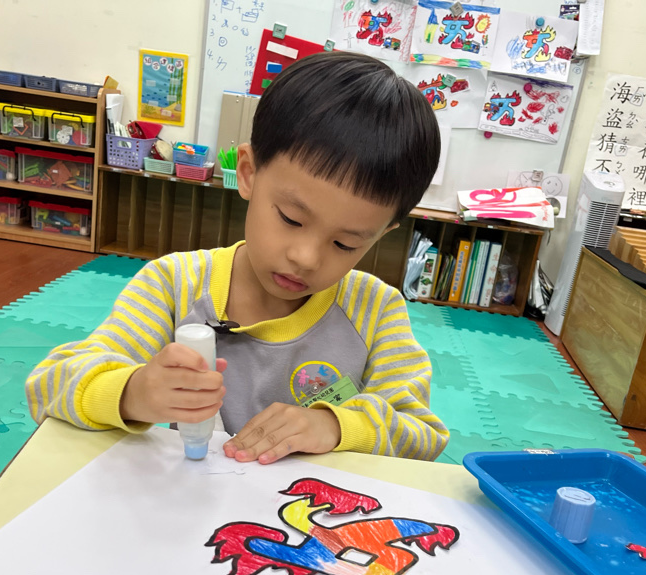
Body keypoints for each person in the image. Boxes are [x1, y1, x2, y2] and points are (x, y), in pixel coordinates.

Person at [26, 51, 448, 464]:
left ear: (380, 235)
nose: (306, 258)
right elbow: (48, 386)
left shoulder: (375, 311)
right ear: (247, 173)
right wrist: (133, 392)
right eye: (291, 218)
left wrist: (336, 426)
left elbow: (422, 433)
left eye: (345, 244)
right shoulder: (174, 285)